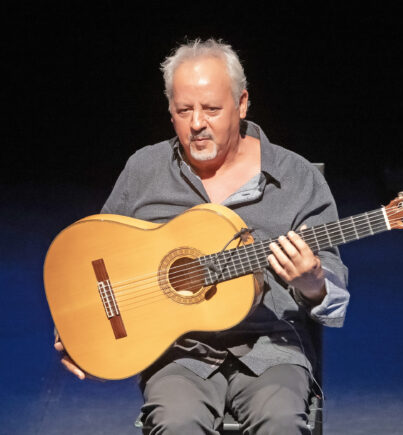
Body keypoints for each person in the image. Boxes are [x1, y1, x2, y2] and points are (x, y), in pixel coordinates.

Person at [55, 38, 350, 434]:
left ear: (241, 104)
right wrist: (77, 324)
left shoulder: (295, 177)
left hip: (271, 349)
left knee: (280, 422)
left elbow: (332, 286)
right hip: (178, 354)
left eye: (211, 109)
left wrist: (313, 284)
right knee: (176, 424)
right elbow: (91, 251)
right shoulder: (145, 170)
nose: (196, 123)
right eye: (184, 110)